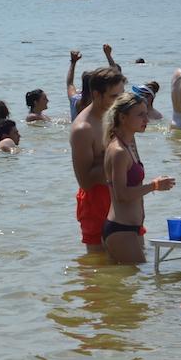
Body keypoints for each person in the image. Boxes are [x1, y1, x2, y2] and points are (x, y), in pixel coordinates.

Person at [102, 92, 175, 263]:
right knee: (139, 281)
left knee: (130, 286)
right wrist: (154, 185)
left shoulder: (129, 143)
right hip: (121, 229)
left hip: (132, 228)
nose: (146, 120)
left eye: (146, 114)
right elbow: (122, 195)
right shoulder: (118, 151)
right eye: (140, 115)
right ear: (123, 117)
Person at [70, 67, 127, 252]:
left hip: (122, 195)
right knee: (99, 267)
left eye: (121, 95)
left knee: (131, 269)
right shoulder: (83, 129)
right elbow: (85, 182)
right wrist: (113, 157)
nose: (120, 101)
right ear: (96, 94)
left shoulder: (116, 116)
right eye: (114, 96)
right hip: (96, 201)